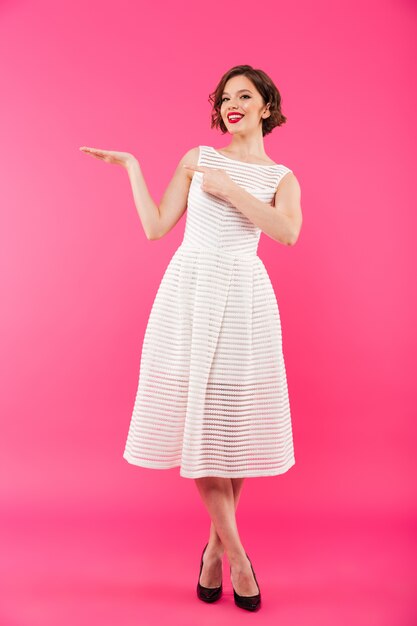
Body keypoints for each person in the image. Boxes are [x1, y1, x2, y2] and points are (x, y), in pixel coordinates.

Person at [80, 64, 302, 612]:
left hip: (245, 298)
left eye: (244, 96)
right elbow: (157, 227)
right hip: (191, 294)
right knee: (199, 423)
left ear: (266, 107)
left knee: (232, 432)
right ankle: (240, 559)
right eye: (226, 97)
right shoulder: (197, 158)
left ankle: (210, 552)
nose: (232, 104)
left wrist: (230, 189)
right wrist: (133, 166)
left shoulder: (282, 178)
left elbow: (287, 233)